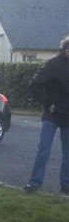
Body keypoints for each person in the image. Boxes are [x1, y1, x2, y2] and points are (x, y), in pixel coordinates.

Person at [24, 36, 69, 196]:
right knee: (44, 149)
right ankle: (35, 183)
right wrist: (47, 103)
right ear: (66, 50)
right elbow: (34, 86)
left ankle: (66, 188)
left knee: (68, 153)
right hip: (52, 115)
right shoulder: (52, 65)